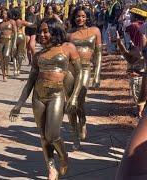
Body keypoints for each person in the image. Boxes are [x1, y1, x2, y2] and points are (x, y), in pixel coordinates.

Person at [9, 18, 83, 180]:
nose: (41, 34)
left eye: (45, 31)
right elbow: (30, 82)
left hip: (57, 95)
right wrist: (18, 105)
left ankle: (63, 157)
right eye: (40, 31)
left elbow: (80, 73)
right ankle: (51, 168)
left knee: (53, 135)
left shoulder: (68, 48)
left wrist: (74, 96)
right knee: (43, 136)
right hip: (38, 97)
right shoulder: (38, 55)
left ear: (55, 31)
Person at [67, 5, 102, 150]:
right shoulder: (69, 34)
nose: (80, 19)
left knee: (79, 101)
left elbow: (99, 54)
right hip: (70, 70)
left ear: (87, 17)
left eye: (82, 16)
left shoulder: (95, 31)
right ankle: (74, 135)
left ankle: (82, 119)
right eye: (77, 16)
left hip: (86, 69)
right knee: (69, 104)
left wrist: (97, 75)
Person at [11, 7, 36, 76]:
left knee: (14, 55)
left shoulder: (11, 21)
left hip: (13, 37)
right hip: (21, 36)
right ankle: (18, 70)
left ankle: (15, 69)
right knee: (20, 54)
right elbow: (31, 25)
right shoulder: (21, 21)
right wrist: (35, 23)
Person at [0, 8, 17, 81]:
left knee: (6, 56)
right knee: (1, 58)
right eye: (3, 13)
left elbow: (15, 32)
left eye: (6, 13)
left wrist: (14, 43)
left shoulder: (12, 22)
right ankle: (4, 74)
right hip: (0, 41)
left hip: (9, 40)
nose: (4, 15)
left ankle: (7, 69)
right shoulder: (0, 23)